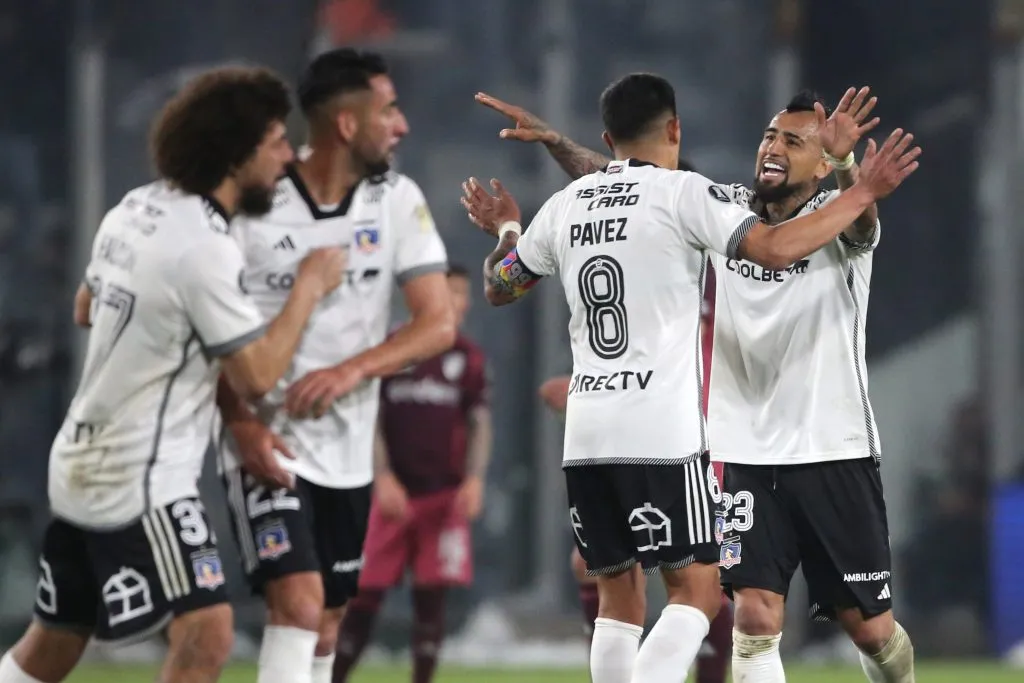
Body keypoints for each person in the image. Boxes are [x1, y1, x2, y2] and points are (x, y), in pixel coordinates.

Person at [461, 73, 918, 683]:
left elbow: (857, 225)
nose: (773, 148)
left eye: (793, 142)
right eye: (768, 136)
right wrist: (555, 141)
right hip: (736, 451)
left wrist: (849, 175)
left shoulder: (838, 222)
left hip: (830, 447)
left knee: (871, 628)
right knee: (753, 617)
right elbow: (639, 188)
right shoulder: (718, 204)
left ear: (822, 160)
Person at [0, 66, 347, 683]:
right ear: (236, 154)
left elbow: (87, 308)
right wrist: (310, 287)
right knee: (206, 635)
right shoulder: (202, 246)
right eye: (275, 143)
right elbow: (258, 376)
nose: (288, 156)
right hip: (139, 475)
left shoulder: (136, 207)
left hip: (81, 457)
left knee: (51, 645)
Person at [216, 48, 456, 683]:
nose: (401, 125)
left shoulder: (397, 199)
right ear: (347, 125)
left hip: (347, 451)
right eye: (389, 110)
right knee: (296, 603)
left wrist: (352, 370)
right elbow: (208, 324)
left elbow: (438, 324)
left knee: (327, 617)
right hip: (268, 439)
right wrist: (240, 425)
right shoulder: (253, 203)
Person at [539, 249, 733, 683]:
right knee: (682, 581)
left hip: (690, 437)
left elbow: (504, 281)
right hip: (647, 434)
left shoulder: (700, 273)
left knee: (701, 579)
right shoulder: (658, 262)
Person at [332, 264, 492, 683]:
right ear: (423, 297)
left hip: (443, 497)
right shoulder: (393, 348)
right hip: (392, 496)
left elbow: (479, 423)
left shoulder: (468, 356)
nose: (461, 304)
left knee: (431, 602)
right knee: (363, 597)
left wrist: (475, 479)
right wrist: (382, 476)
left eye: (463, 294)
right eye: (451, 293)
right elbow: (372, 416)